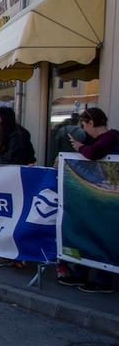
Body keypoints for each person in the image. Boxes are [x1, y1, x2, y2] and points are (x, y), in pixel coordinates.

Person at [57, 107, 118, 293]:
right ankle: (81, 272)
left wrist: (80, 148)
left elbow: (93, 153)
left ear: (91, 122)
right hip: (95, 195)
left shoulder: (111, 137)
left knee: (103, 234)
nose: (84, 130)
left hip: (107, 197)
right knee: (88, 231)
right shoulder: (101, 139)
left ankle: (103, 279)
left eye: (84, 125)